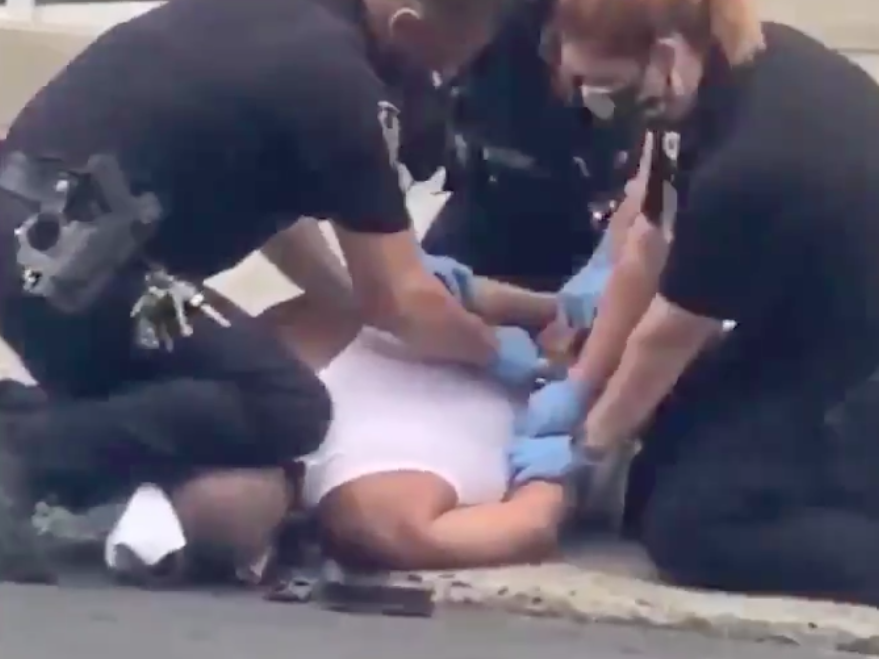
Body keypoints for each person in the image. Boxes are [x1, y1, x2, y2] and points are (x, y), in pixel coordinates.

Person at [0, 0, 545, 583]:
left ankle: (24, 420)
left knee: (201, 381)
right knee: (287, 404)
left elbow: (285, 227)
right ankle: (24, 454)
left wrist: (345, 299)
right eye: (450, 62)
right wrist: (501, 355)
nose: (447, 79)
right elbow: (402, 299)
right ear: (407, 28)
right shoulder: (343, 86)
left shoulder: (282, 23)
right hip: (77, 269)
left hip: (40, 239)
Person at [509, 0, 879, 607]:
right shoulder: (709, 75)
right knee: (659, 463)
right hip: (802, 320)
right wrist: (580, 383)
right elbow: (647, 243)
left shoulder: (757, 163)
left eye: (605, 89)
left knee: (692, 528)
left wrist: (585, 449)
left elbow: (668, 335)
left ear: (663, 57)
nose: (595, 106)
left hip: (855, 360)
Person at [264, 288, 566, 571]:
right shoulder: (382, 509)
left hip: (543, 309)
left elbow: (415, 283)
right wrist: (561, 451)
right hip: (581, 395)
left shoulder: (288, 333)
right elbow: (533, 525)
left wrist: (563, 311)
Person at [420, 0, 650, 299]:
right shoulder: (488, 29)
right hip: (488, 200)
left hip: (593, 220)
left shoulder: (658, 45)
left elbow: (659, 179)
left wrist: (608, 262)